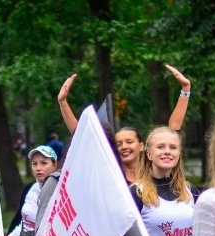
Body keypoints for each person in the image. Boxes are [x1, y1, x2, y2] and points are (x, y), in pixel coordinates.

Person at [57, 64, 192, 183]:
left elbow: (173, 130)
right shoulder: (112, 173)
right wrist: (63, 102)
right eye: (119, 144)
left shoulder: (154, 171)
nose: (124, 147)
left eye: (129, 141)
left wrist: (185, 90)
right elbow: (81, 136)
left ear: (141, 146)